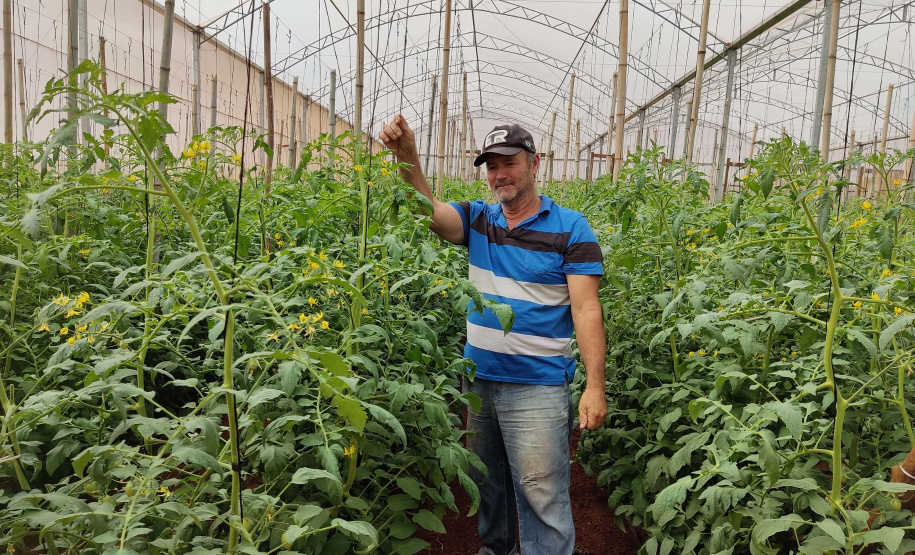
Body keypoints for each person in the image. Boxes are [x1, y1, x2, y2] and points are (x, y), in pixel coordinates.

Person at [379, 115, 607, 555]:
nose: (499, 174)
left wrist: (594, 387)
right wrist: (408, 157)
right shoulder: (478, 219)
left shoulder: (572, 228)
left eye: (509, 162)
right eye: (491, 166)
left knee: (542, 495)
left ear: (535, 163)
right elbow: (426, 211)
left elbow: (586, 309)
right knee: (488, 484)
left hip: (538, 385)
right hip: (479, 383)